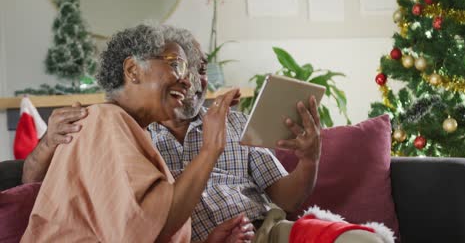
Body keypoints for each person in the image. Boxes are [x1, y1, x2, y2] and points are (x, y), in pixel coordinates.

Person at [23, 26, 322, 242]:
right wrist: (211, 149)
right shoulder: (107, 122)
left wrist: (309, 158)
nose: (188, 80)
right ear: (133, 70)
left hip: (263, 231)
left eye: (197, 70)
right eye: (177, 65)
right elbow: (146, 224)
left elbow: (140, 224)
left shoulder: (119, 124)